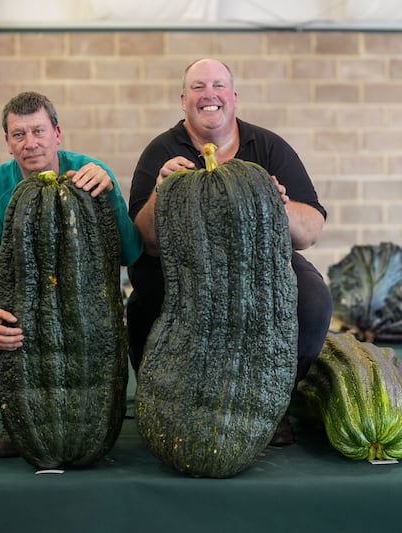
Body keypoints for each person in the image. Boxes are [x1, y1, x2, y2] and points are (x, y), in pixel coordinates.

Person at [126, 58, 333, 446]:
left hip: (260, 264)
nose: (210, 95)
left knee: (313, 300)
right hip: (186, 266)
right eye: (199, 87)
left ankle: (274, 402)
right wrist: (160, 190)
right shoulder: (162, 151)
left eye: (218, 86)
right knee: (144, 301)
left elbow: (311, 232)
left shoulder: (267, 146)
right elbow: (145, 241)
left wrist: (275, 205)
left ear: (233, 97)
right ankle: (163, 399)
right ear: (183, 100)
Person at [0, 91, 143, 457]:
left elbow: (131, 251)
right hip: (24, 303)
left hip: (88, 304)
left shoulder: (90, 174)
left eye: (38, 131)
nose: (30, 143)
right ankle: (23, 427)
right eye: (19, 134)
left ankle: (90, 431)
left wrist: (108, 194)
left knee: (90, 366)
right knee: (17, 346)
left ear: (57, 133)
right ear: (8, 143)